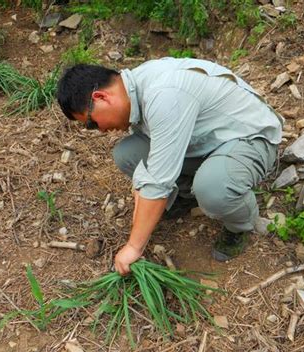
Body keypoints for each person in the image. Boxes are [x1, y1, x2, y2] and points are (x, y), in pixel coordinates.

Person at [57, 57, 283, 275]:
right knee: (127, 154)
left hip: (248, 138)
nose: (99, 129)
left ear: (101, 97)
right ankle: (186, 195)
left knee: (214, 188)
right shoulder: (133, 89)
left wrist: (134, 247)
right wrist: (141, 208)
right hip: (204, 140)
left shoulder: (165, 95)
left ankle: (240, 225)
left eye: (91, 123)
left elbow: (157, 181)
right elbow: (148, 172)